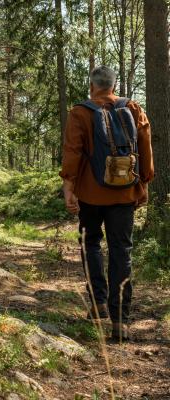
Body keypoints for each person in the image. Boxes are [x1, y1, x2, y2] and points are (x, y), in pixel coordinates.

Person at [60, 66, 154, 340]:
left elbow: (73, 151)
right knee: (121, 251)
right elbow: (145, 145)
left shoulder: (80, 112)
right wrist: (143, 184)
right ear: (113, 86)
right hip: (125, 193)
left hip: (90, 193)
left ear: (92, 86)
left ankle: (98, 303)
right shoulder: (133, 108)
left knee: (90, 243)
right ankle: (120, 321)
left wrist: (69, 188)